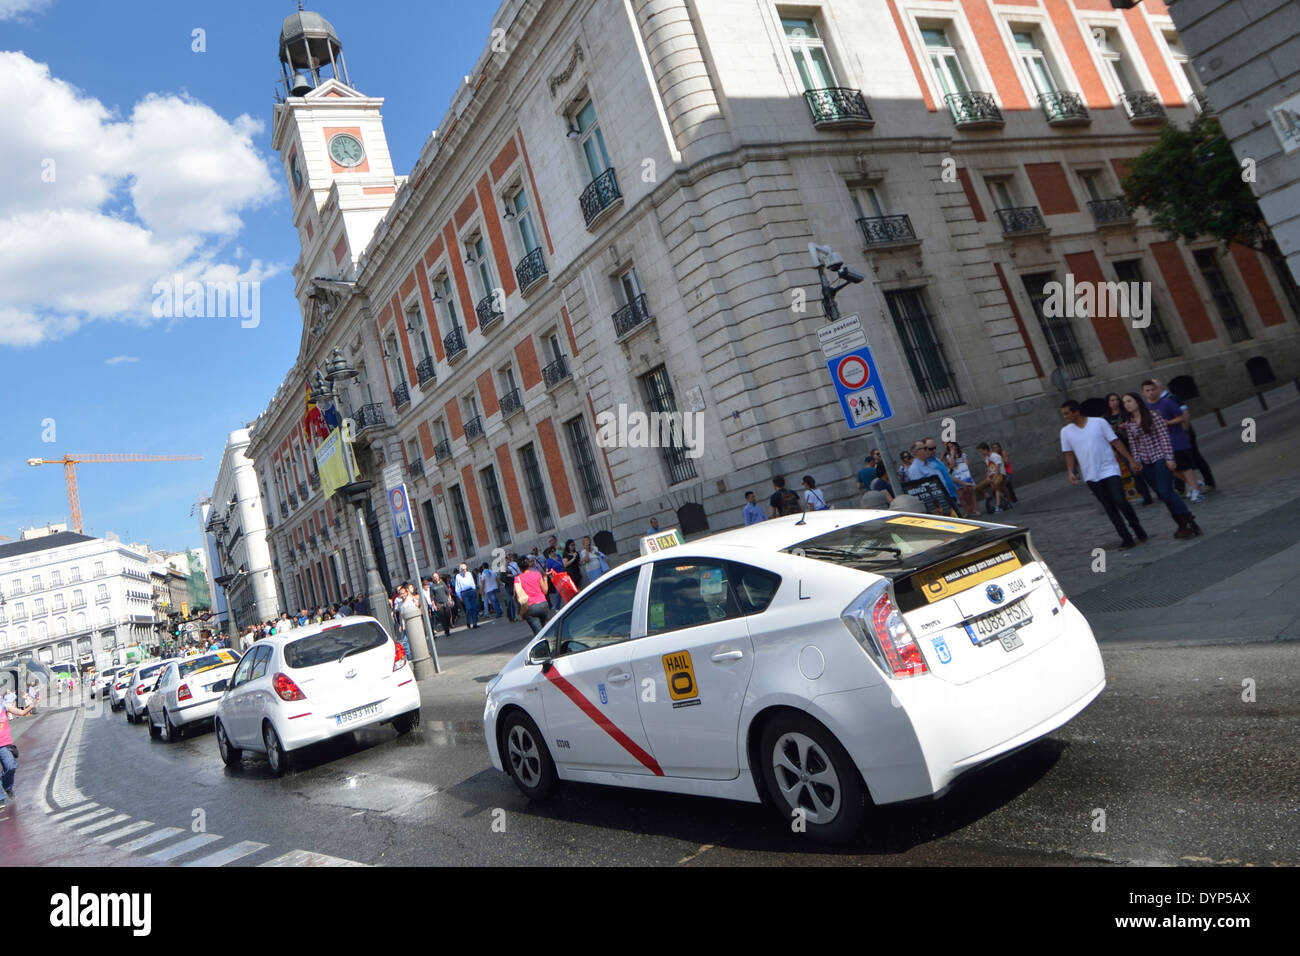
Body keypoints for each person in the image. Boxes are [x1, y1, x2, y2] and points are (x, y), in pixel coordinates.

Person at [1059, 399, 1148, 549]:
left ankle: (1137, 527)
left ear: (1076, 411)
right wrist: (1070, 472)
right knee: (1109, 506)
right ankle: (1126, 537)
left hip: (1109, 468)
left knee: (1120, 499)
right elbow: (1068, 453)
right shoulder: (1066, 432)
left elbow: (1116, 442)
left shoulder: (1098, 422)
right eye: (1063, 414)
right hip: (1090, 474)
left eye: (1067, 413)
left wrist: (1130, 460)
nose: (1065, 417)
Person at [1120, 393, 1201, 538]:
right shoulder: (1130, 423)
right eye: (1124, 402)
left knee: (1166, 491)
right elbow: (1134, 445)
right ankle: (1182, 524)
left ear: (1137, 401)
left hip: (1160, 456)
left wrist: (1169, 458)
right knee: (1162, 495)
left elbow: (1164, 437)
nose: (1127, 404)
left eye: (1129, 401)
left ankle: (1189, 520)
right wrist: (1136, 462)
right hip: (1146, 461)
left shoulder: (1152, 416)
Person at [1142, 380, 1201, 503]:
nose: (1151, 393)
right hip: (1160, 443)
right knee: (1171, 468)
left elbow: (1181, 417)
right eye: (1147, 390)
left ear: (1156, 390)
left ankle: (1196, 490)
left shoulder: (1167, 403)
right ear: (1143, 393)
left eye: (1152, 389)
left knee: (1184, 466)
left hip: (1175, 439)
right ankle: (1191, 483)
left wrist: (1167, 423)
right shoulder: (1145, 408)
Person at [1107, 392, 1153, 505]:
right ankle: (1146, 496)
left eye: (1117, 400)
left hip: (1133, 443)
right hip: (1121, 447)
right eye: (1112, 400)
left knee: (1145, 469)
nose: (1115, 402)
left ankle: (1158, 491)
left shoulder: (1125, 413)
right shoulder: (1106, 418)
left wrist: (1120, 426)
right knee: (1134, 472)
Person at [906, 439, 959, 513]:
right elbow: (922, 491)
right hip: (939, 505)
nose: (927, 450)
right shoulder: (914, 469)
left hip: (947, 497)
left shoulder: (930, 463)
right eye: (924, 448)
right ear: (916, 452)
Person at [0, 692, 34, 806]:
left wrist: (31, 705)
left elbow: (22, 712)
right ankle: (1, 799)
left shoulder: (4, 707)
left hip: (4, 745)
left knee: (11, 766)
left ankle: (7, 787)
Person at [515, 557, 552, 636]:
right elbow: (545, 590)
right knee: (548, 631)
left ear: (519, 567)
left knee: (539, 635)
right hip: (543, 604)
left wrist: (520, 612)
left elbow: (517, 597)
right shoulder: (537, 574)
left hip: (530, 608)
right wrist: (545, 578)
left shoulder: (518, 579)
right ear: (529, 565)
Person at [943, 441, 978, 517]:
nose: (951, 448)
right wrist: (952, 455)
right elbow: (951, 466)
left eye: (952, 446)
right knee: (961, 495)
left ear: (955, 446)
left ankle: (975, 509)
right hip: (956, 477)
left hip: (965, 475)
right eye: (949, 447)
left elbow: (966, 465)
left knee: (970, 492)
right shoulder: (948, 457)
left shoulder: (963, 455)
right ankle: (966, 511)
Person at [975, 442, 1009, 513]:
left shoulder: (995, 456)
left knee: (996, 484)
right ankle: (988, 496)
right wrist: (988, 477)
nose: (981, 453)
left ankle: (998, 506)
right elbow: (989, 468)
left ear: (985, 450)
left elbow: (998, 469)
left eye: (981, 451)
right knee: (977, 488)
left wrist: (993, 480)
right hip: (992, 475)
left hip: (1000, 474)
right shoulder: (987, 458)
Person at [398, 584, 427, 657]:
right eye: (400, 594)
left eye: (403, 593)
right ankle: (409, 656)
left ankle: (417, 654)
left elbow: (417, 605)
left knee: (414, 640)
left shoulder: (410, 600)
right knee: (405, 641)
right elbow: (400, 615)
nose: (402, 595)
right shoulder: (400, 603)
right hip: (404, 625)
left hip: (412, 625)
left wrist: (412, 597)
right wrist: (400, 625)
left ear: (406, 593)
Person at [454, 564, 480, 629]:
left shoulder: (469, 574)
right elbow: (457, 587)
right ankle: (468, 621)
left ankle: (474, 624)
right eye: (463, 569)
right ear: (460, 570)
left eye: (465, 569)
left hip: (471, 591)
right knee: (468, 608)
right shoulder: (458, 576)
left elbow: (472, 582)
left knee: (474, 607)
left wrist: (474, 590)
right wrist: (459, 596)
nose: (464, 570)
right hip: (464, 593)